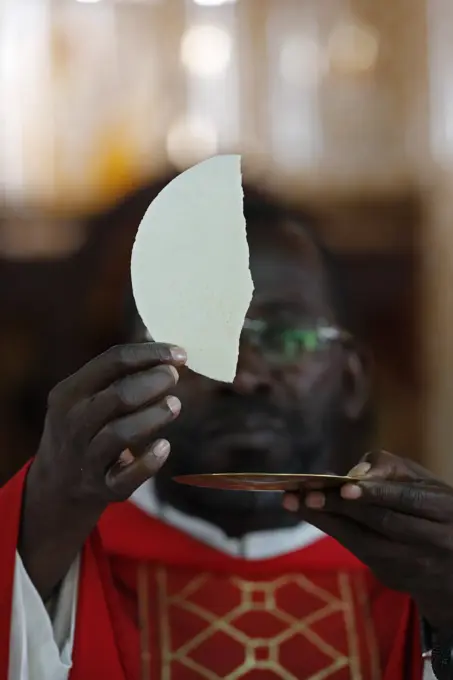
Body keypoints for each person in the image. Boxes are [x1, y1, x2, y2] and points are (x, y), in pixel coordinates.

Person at [0, 186, 450, 680]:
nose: (242, 376)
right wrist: (27, 535)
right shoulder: (49, 564)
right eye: (200, 337)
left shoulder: (421, 573)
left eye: (284, 337)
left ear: (352, 378)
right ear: (127, 373)